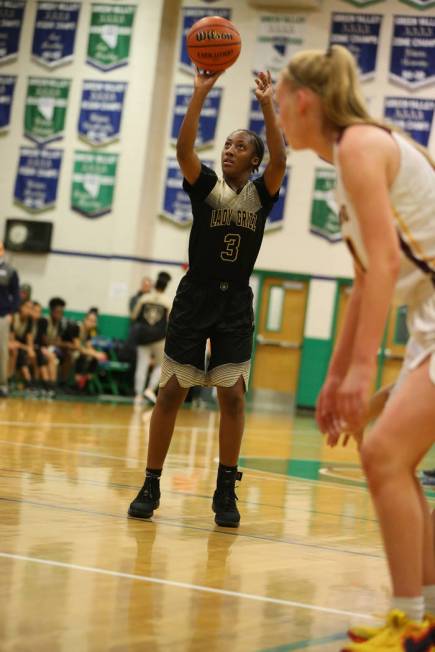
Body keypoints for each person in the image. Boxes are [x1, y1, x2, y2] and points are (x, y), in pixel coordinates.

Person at [275, 44, 435, 649]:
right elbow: (365, 280)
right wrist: (334, 375)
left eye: (281, 101)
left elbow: (389, 261)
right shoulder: (349, 158)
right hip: (428, 319)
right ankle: (421, 617)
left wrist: (362, 370)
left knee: (384, 455)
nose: (277, 115)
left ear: (304, 101)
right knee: (390, 454)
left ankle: (409, 619)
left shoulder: (363, 146)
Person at [128, 69, 286, 528]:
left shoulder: (261, 194)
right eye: (228, 145)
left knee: (232, 396)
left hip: (235, 302)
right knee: (173, 389)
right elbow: (183, 150)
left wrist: (267, 106)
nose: (229, 150)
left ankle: (225, 488)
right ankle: (151, 481)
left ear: (254, 161)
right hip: (195, 296)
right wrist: (200, 92)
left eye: (240, 147)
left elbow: (281, 157)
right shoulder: (208, 188)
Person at [131, 270, 172, 405]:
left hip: (143, 336)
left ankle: (138, 395)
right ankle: (150, 389)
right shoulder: (167, 301)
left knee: (141, 365)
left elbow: (134, 316)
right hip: (159, 338)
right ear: (166, 286)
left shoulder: (144, 298)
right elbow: (170, 321)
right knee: (162, 365)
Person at [0, 242, 20, 396]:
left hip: (2, 315)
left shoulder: (10, 271)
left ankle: (2, 384)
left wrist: (11, 314)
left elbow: (16, 295)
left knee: (1, 350)